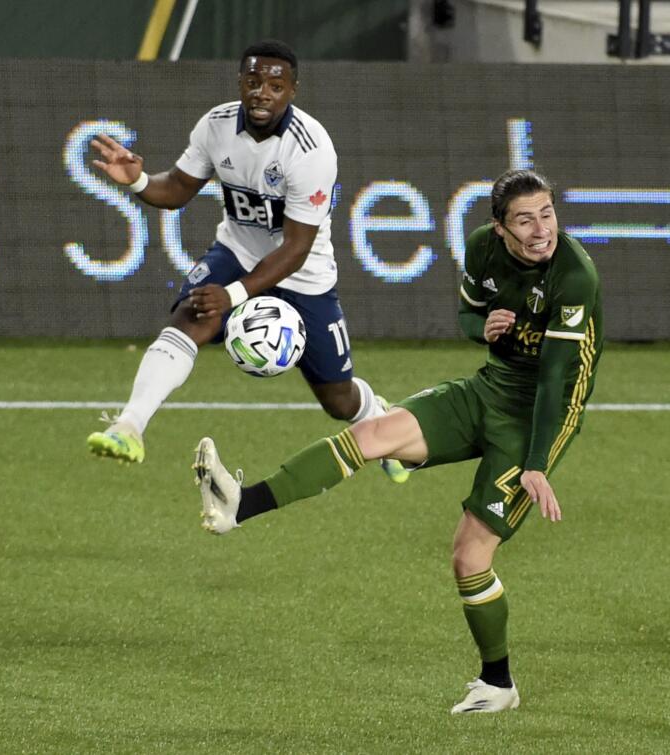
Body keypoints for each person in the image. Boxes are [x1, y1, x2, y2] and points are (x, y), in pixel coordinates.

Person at [193, 168, 604, 714]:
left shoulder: (575, 276)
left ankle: (498, 683)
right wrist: (480, 330)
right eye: (525, 220)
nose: (540, 230)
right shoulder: (483, 249)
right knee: (371, 433)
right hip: (489, 390)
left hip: (539, 420)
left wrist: (535, 464)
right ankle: (243, 505)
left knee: (469, 557)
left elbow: (556, 380)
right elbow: (465, 314)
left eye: (547, 214)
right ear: (499, 228)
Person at [85, 39, 405, 483]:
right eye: (253, 81)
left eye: (276, 84)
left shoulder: (311, 151)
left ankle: (377, 415)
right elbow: (177, 187)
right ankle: (129, 426)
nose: (262, 92)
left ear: (293, 90)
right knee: (190, 316)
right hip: (237, 252)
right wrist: (137, 179)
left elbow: (295, 249)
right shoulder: (215, 125)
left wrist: (233, 295)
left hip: (302, 272)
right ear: (241, 82)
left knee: (337, 400)